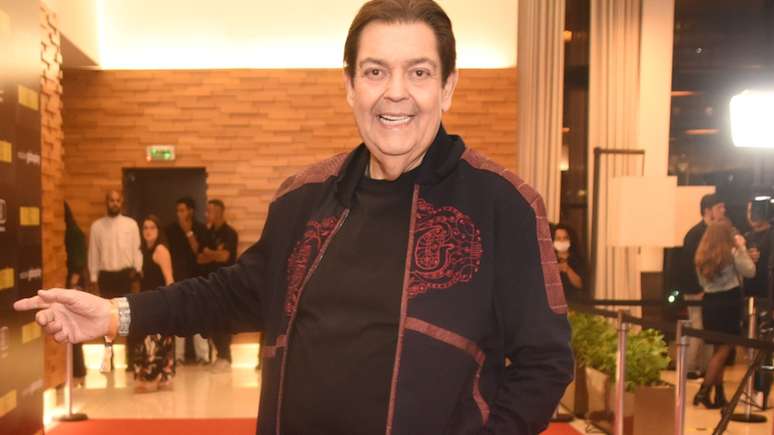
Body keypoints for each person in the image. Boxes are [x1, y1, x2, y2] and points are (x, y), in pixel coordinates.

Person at [14, 1, 574, 434]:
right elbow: (233, 294)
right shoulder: (304, 199)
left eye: (420, 72)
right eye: (375, 72)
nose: (395, 93)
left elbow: (545, 362)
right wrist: (116, 314)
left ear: (448, 87)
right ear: (350, 86)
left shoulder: (504, 204)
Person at [692, 219, 756, 409]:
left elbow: (701, 283)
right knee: (724, 349)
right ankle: (704, 391)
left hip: (710, 302)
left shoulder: (701, 256)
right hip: (729, 302)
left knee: (717, 349)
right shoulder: (732, 253)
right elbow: (750, 271)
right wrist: (742, 248)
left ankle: (719, 394)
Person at [87, 190, 142, 372]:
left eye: (118, 200)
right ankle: (108, 359)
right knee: (107, 320)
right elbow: (93, 253)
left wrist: (137, 271)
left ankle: (132, 360)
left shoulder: (131, 224)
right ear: (107, 202)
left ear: (122, 202)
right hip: (106, 276)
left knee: (128, 318)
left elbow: (137, 250)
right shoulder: (97, 227)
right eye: (111, 200)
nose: (114, 203)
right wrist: (93, 278)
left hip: (126, 276)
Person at [680, 193, 725, 380]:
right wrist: (698, 289)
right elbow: (689, 265)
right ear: (707, 210)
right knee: (697, 328)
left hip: (711, 290)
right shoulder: (695, 234)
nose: (723, 210)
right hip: (696, 290)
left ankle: (705, 368)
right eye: (719, 207)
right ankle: (689, 368)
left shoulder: (716, 232)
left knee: (708, 329)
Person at [134, 215, 176, 393]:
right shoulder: (143, 251)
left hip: (160, 302)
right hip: (147, 302)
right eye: (145, 228)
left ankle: (160, 378)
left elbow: (169, 279)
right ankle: (150, 377)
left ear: (158, 231)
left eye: (152, 227)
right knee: (148, 340)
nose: (148, 231)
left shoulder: (160, 250)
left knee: (158, 341)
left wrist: (170, 304)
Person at [166, 196, 210, 364]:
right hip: (178, 279)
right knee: (179, 317)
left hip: (198, 279)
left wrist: (188, 232)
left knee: (199, 317)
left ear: (191, 211)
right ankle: (178, 357)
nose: (179, 213)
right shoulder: (171, 229)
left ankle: (203, 356)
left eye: (183, 210)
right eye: (178, 210)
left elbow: (199, 251)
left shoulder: (201, 228)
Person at [197, 199, 239, 372]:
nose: (207, 214)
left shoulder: (230, 233)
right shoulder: (207, 233)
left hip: (226, 284)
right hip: (209, 283)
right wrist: (214, 254)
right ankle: (219, 356)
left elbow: (225, 257)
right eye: (207, 210)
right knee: (210, 321)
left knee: (223, 320)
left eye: (211, 210)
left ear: (220, 211)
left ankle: (225, 357)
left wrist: (210, 253)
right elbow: (200, 258)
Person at [743, 198, 774, 406]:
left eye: (752, 210)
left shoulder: (771, 235)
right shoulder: (747, 237)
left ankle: (762, 390)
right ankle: (751, 389)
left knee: (764, 348)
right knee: (750, 346)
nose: (749, 215)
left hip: (767, 297)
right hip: (749, 298)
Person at [64, 202, 87, 382]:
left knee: (74, 327)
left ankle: (78, 370)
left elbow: (79, 264)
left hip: (74, 284)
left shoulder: (74, 233)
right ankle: (77, 370)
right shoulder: (73, 231)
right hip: (73, 284)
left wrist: (72, 285)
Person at [552, 223, 587, 302]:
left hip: (573, 302)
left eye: (565, 238)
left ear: (570, 240)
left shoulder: (578, 260)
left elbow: (580, 284)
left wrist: (568, 269)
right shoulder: (547, 260)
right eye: (558, 238)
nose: (562, 241)